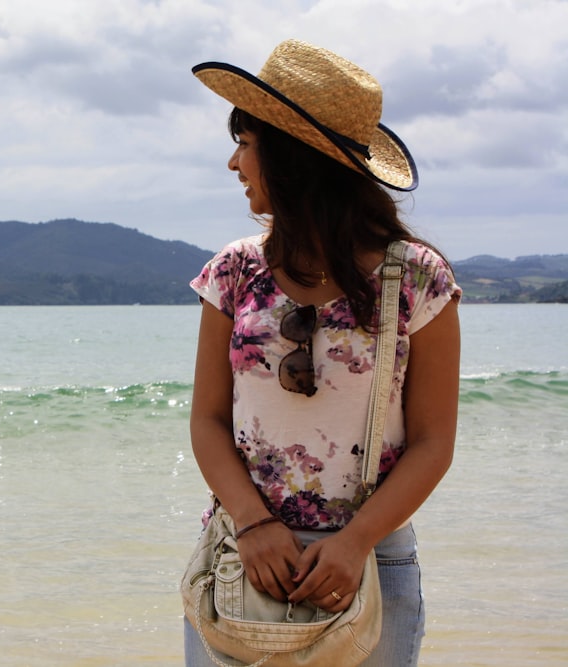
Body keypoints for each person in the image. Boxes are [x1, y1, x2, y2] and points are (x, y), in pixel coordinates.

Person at [184, 40, 461, 666]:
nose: (234, 163)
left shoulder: (417, 279)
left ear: (291, 158)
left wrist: (355, 541)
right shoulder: (233, 272)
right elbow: (206, 421)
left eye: (246, 143)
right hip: (243, 559)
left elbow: (433, 441)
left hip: (369, 562)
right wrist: (255, 527)